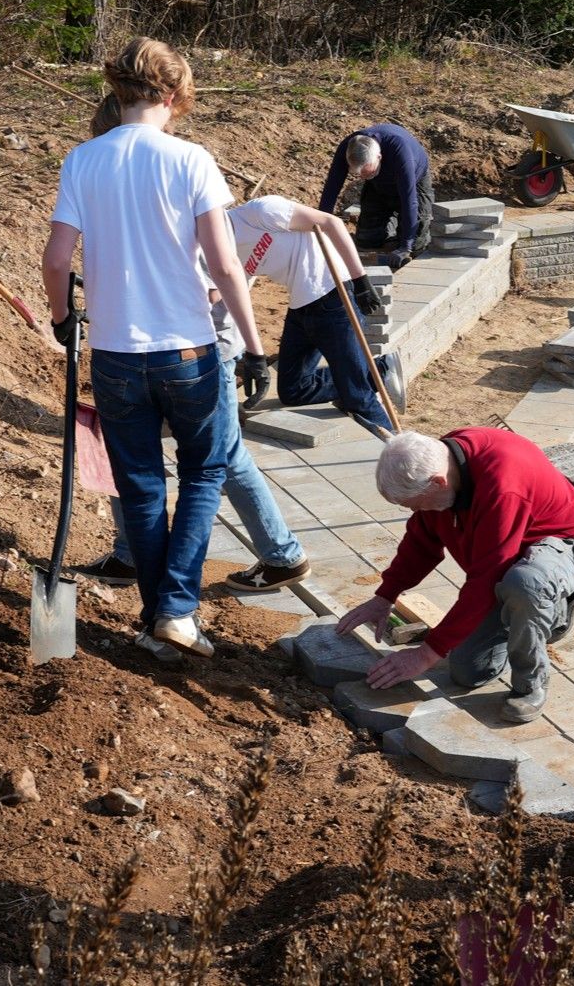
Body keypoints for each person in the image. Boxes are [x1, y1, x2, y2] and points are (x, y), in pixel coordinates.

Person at [43, 36, 270, 661]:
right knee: (205, 471)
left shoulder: (83, 160)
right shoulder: (190, 160)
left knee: (140, 486)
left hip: (116, 354)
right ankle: (174, 610)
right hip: (188, 351)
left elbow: (58, 258)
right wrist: (254, 348)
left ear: (118, 95)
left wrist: (64, 319)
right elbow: (225, 266)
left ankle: (157, 622)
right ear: (171, 96)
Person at [73, 95, 313, 610]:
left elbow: (213, 278)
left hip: (201, 346)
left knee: (215, 459)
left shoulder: (176, 179)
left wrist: (252, 349)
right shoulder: (131, 184)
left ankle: (277, 552)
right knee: (171, 461)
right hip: (163, 346)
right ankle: (140, 557)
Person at [334, 429, 574, 723]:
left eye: (413, 504)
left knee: (526, 584)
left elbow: (486, 577)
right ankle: (524, 615)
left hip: (569, 545)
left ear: (439, 482)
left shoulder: (502, 485)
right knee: (469, 672)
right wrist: (385, 595)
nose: (413, 510)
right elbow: (421, 543)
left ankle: (531, 683)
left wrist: (425, 654)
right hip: (509, 560)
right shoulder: (443, 464)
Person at [228, 194, 393, 434]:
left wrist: (360, 280)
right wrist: (253, 355)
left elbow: (330, 223)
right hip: (301, 306)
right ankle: (380, 370)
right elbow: (236, 297)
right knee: (294, 390)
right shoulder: (224, 252)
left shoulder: (258, 212)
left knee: (356, 396)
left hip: (333, 295)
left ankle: (403, 459)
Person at [316, 123, 433, 266]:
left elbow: (409, 199)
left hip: (415, 182)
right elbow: (331, 190)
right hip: (378, 183)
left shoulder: (399, 151)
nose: (362, 178)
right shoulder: (348, 148)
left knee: (416, 242)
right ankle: (391, 231)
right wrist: (320, 230)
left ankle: (402, 233)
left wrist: (405, 247)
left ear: (379, 157)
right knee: (367, 240)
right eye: (359, 174)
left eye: (368, 172)